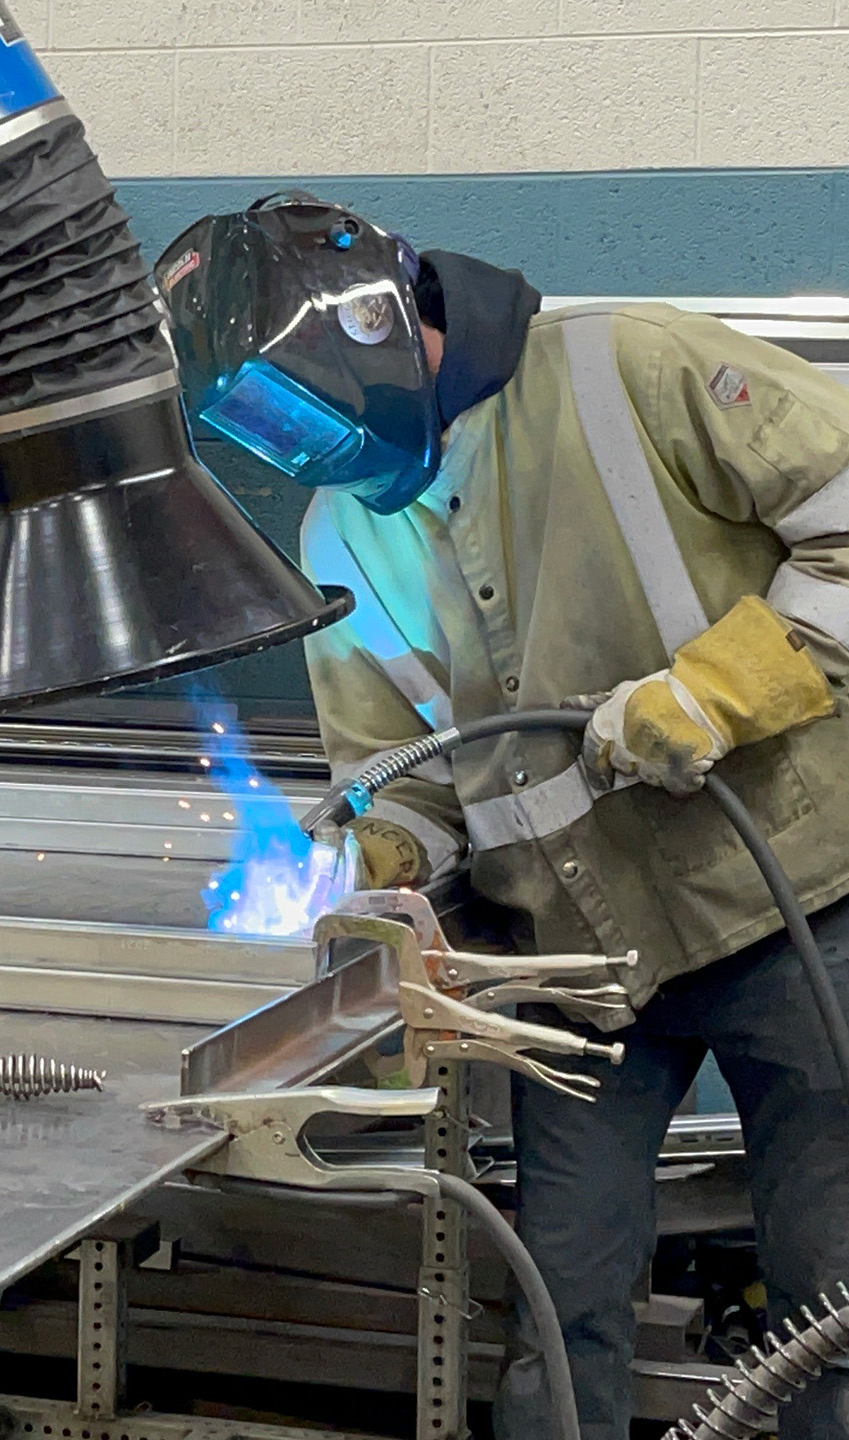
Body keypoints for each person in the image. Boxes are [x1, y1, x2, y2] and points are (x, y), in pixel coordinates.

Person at [155, 194, 849, 1440]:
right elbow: (407, 772)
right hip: (581, 973)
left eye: (291, 406)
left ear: (370, 329)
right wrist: (366, 859)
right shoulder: (342, 529)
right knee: (558, 1302)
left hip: (797, 909)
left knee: (831, 1307)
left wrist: (717, 692)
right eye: (261, 430)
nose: (298, 447)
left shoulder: (630, 366)